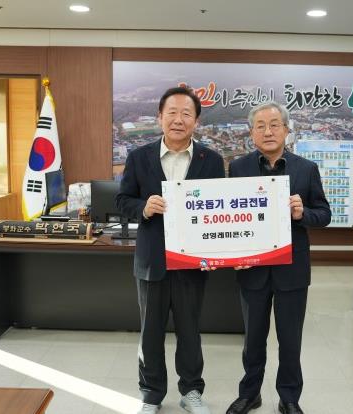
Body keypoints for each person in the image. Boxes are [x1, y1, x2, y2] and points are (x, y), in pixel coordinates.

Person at [116, 86, 225, 414]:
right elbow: (122, 201)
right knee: (150, 332)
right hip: (152, 260)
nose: (179, 119)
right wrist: (144, 207)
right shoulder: (139, 157)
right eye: (172, 113)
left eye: (186, 114)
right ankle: (151, 395)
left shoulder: (211, 160)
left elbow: (219, 209)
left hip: (192, 261)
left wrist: (218, 252)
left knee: (190, 330)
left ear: (196, 121)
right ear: (160, 117)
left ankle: (191, 391)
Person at [226, 102, 331, 414]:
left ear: (286, 130)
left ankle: (289, 398)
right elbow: (230, 216)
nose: (268, 131)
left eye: (274, 124)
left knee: (290, 340)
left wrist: (302, 213)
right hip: (252, 269)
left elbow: (324, 214)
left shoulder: (305, 169)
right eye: (260, 126)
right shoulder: (239, 168)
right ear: (251, 133)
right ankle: (250, 394)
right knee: (253, 340)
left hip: (292, 270)